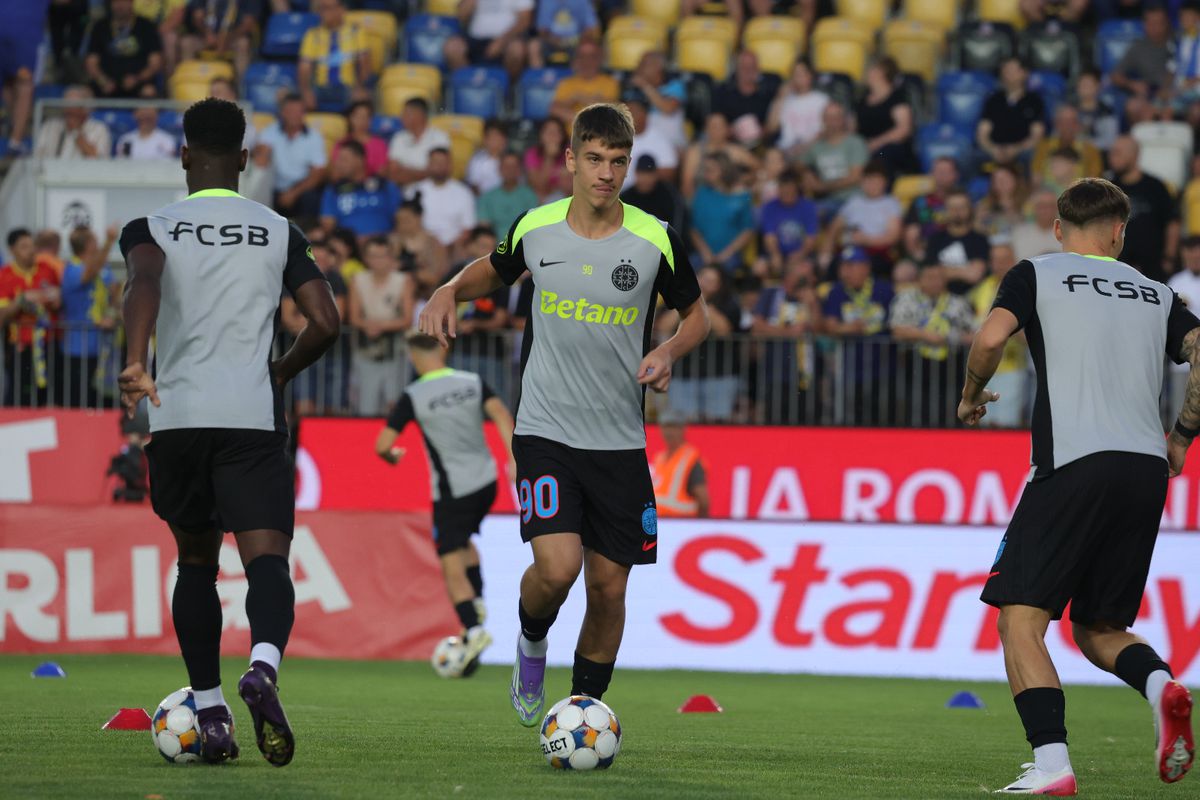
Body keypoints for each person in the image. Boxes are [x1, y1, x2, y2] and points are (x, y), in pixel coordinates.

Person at [417, 103, 708, 725]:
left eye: (618, 162)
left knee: (608, 587)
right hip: (545, 430)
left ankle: (582, 709)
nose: (606, 173)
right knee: (557, 570)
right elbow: (492, 271)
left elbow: (697, 316)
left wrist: (668, 349)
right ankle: (531, 642)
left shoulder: (656, 238)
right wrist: (448, 289)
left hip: (620, 440)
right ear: (571, 159)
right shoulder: (537, 226)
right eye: (595, 159)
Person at [116, 97, 340, 766]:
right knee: (267, 561)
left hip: (178, 416)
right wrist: (280, 372)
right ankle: (262, 667)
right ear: (244, 158)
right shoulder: (277, 229)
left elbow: (143, 282)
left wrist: (136, 359)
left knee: (195, 563)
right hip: (249, 416)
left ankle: (211, 713)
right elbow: (326, 322)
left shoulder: (151, 226)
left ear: (184, 154)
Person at [959, 177, 1196, 794]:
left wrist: (970, 395)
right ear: (1119, 232)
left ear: (1060, 229)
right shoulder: (1157, 293)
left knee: (1020, 621)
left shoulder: (1038, 272)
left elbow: (990, 338)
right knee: (1099, 627)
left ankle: (1052, 766)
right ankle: (1161, 686)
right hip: (1144, 471)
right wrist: (1180, 438)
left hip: (1072, 463)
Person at [374, 331, 516, 671]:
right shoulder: (471, 381)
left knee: (450, 559)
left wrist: (392, 456)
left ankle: (473, 628)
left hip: (453, 490)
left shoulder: (414, 395)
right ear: (443, 349)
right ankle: (476, 600)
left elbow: (382, 445)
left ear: (413, 357)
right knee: (464, 539)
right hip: (487, 482)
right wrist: (513, 458)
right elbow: (501, 414)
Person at [890, 263, 975, 427]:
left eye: (939, 278)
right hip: (916, 366)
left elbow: (973, 333)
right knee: (916, 412)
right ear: (919, 280)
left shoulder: (958, 303)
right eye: (929, 277)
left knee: (949, 413)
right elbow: (896, 330)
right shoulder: (906, 300)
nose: (934, 282)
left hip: (950, 367)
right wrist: (925, 335)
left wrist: (951, 338)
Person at [349, 237, 413, 416]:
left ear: (391, 258)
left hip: (396, 352)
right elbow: (354, 317)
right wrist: (370, 326)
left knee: (395, 406)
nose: (378, 261)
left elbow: (407, 319)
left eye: (382, 256)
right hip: (365, 351)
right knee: (365, 407)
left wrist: (380, 326)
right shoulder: (357, 280)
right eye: (373, 256)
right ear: (366, 258)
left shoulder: (403, 280)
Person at [968, 242, 1028, 428]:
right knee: (983, 425)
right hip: (982, 369)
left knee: (1006, 425)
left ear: (1014, 260)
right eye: (995, 260)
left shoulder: (1024, 288)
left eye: (1004, 259)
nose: (999, 264)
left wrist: (1005, 328)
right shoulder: (982, 288)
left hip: (1011, 367)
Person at [60, 224, 120, 408]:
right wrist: (109, 241)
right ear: (88, 245)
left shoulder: (104, 268)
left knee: (104, 400)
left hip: (104, 347)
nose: (98, 243)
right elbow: (89, 273)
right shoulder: (72, 268)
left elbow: (114, 293)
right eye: (95, 240)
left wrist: (112, 314)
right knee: (80, 399)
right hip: (78, 348)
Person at [0, 228, 61, 407]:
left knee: (50, 397)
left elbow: (60, 303)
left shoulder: (47, 270)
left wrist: (57, 297)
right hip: (21, 348)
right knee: (19, 398)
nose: (31, 250)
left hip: (49, 345)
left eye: (32, 245)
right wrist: (22, 299)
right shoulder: (5, 275)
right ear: (12, 250)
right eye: (24, 246)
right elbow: (2, 315)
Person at [1108, 135, 1179, 283]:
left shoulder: (1156, 187)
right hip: (1116, 265)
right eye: (1112, 152)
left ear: (1134, 155)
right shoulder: (1108, 188)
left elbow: (1172, 222)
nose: (1112, 158)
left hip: (1153, 266)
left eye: (1118, 153)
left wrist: (1169, 258)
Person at [827, 160, 902, 279]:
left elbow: (893, 236)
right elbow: (834, 227)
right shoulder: (853, 203)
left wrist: (867, 240)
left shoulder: (891, 204)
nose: (873, 185)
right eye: (869, 181)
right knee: (833, 266)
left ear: (884, 182)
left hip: (877, 253)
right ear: (862, 182)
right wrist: (825, 252)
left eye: (877, 181)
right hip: (850, 250)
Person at [258, 93, 328, 219]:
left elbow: (318, 174)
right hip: (275, 188)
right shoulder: (271, 131)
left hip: (301, 189)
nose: (295, 115)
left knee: (311, 197)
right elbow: (260, 161)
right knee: (259, 188)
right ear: (282, 113)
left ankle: (306, 230)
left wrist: (293, 193)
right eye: (290, 111)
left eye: (299, 111)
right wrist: (263, 154)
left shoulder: (314, 137)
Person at [318, 140, 402, 239]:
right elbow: (328, 224)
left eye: (344, 160)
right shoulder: (333, 190)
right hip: (347, 244)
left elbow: (401, 218)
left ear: (360, 160)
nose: (338, 164)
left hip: (383, 242)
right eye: (338, 159)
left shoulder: (384, 186)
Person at [689, 151, 755, 274]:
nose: (706, 173)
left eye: (711, 169)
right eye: (705, 169)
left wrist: (726, 255)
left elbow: (747, 230)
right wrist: (706, 253)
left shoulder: (742, 196)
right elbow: (694, 230)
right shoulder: (701, 193)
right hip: (703, 255)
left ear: (724, 171)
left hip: (731, 256)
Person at [298, 0, 371, 111]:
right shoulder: (312, 34)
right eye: (321, 8)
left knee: (362, 98)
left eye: (328, 8)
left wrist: (360, 87)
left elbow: (364, 63)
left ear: (341, 10)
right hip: (320, 88)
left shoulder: (355, 32)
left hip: (348, 87)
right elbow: (304, 67)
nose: (323, 12)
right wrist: (306, 92)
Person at [85, 0, 163, 100]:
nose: (120, 6)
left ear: (131, 3)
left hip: (139, 84)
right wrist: (103, 80)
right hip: (105, 84)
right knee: (75, 96)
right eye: (116, 2)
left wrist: (137, 79)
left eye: (124, 2)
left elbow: (155, 63)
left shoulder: (146, 26)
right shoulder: (100, 27)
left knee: (149, 92)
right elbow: (91, 62)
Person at [977, 58, 1046, 166]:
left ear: (1025, 73)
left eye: (1012, 70)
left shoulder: (1034, 101)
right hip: (995, 149)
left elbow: (1037, 135)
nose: (1008, 74)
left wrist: (1016, 149)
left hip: (1022, 150)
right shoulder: (993, 99)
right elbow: (982, 133)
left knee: (1034, 155)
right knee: (973, 156)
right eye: (1005, 71)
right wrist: (992, 149)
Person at [803, 103, 869, 216]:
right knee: (808, 213)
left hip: (855, 199)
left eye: (836, 117)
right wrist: (806, 173)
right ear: (823, 120)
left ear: (843, 120)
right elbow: (798, 163)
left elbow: (855, 176)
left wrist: (822, 187)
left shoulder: (856, 143)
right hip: (827, 200)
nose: (832, 122)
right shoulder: (817, 146)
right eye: (828, 117)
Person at [409, 148, 478, 254]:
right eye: (436, 162)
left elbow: (468, 228)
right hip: (422, 247)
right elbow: (409, 223)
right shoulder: (415, 190)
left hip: (454, 248)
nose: (440, 166)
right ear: (428, 165)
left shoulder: (463, 193)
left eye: (444, 162)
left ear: (450, 165)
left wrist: (449, 248)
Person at [444, 0, 533, 80]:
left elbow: (524, 20)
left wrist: (501, 42)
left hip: (508, 39)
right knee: (452, 47)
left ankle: (509, 88)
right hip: (474, 38)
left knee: (517, 50)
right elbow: (461, 16)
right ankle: (467, 84)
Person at [1, 0, 47, 153]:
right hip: (25, 31)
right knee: (23, 83)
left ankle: (15, 133)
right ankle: (15, 140)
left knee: (10, 82)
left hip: (13, 27)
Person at [855, 57, 914, 175]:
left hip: (889, 148)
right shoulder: (862, 100)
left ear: (882, 72)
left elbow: (903, 129)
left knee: (881, 156)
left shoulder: (897, 98)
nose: (867, 73)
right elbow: (853, 127)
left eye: (871, 69)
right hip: (865, 147)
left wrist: (876, 143)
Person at [924, 189, 990, 294]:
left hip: (973, 295)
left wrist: (944, 271)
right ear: (945, 210)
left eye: (961, 207)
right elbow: (931, 275)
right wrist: (965, 270)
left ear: (970, 209)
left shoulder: (980, 240)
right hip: (941, 296)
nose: (957, 212)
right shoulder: (935, 239)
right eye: (952, 208)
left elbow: (975, 275)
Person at [680, 112, 757, 200]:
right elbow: (687, 184)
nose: (716, 130)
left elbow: (760, 169)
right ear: (706, 129)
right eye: (712, 126)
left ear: (728, 129)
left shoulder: (736, 151)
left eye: (720, 126)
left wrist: (746, 178)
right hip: (701, 201)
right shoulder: (695, 151)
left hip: (732, 201)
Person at [758, 168, 818, 280]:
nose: (787, 194)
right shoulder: (769, 207)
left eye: (790, 191)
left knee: (803, 269)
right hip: (778, 252)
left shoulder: (808, 207)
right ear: (779, 190)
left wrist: (800, 255)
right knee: (760, 268)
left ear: (796, 189)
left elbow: (810, 238)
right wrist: (775, 255)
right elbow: (769, 236)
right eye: (784, 191)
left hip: (801, 253)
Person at [178, 0, 258, 79]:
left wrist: (227, 39)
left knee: (243, 44)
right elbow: (198, 16)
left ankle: (242, 84)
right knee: (187, 43)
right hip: (207, 37)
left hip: (233, 38)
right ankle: (187, 81)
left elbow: (249, 23)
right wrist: (207, 34)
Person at [650, 411, 708, 518]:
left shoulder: (690, 458)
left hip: (680, 521)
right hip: (660, 521)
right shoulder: (659, 458)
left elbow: (703, 499)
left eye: (673, 427)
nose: (669, 432)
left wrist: (700, 524)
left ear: (682, 429)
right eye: (665, 427)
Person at [625, 50, 687, 151]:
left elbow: (668, 108)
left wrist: (645, 85)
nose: (639, 67)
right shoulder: (633, 88)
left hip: (671, 143)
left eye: (644, 64)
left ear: (657, 67)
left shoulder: (675, 85)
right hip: (640, 141)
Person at [766, 59, 830, 158]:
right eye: (794, 74)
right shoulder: (784, 100)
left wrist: (804, 147)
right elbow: (771, 128)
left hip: (813, 149)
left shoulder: (822, 100)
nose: (797, 78)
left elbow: (828, 130)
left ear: (810, 76)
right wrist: (781, 98)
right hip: (786, 150)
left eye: (801, 74)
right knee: (772, 155)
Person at [1111, 5, 1172, 106]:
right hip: (1150, 94)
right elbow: (1115, 76)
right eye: (1150, 23)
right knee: (1133, 105)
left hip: (1177, 93)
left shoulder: (1180, 44)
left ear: (1166, 24)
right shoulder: (1138, 47)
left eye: (1158, 23)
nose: (1155, 27)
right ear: (1145, 25)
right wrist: (1133, 84)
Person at [712, 50, 776, 148]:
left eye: (752, 67)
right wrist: (732, 130)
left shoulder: (767, 92)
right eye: (744, 67)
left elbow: (772, 125)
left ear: (758, 69)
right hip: (730, 145)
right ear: (737, 69)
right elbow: (714, 123)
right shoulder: (723, 92)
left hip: (760, 144)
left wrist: (762, 131)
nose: (748, 71)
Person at [903, 156, 960, 264]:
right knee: (903, 271)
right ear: (931, 174)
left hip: (958, 254)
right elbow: (911, 234)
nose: (942, 175)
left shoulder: (963, 201)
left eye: (946, 171)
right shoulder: (920, 202)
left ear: (956, 175)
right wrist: (919, 257)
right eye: (938, 171)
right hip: (927, 254)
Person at [549, 40, 619, 127]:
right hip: (570, 134)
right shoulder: (566, 83)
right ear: (576, 60)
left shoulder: (610, 82)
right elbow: (554, 109)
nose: (587, 61)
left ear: (599, 59)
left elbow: (612, 109)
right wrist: (593, 102)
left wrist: (577, 98)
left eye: (592, 56)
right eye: (582, 56)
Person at [1031, 106, 1103, 188]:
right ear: (1056, 124)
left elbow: (1094, 183)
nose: (1067, 126)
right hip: (1048, 193)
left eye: (1071, 122)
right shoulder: (1044, 147)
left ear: (1078, 125)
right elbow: (1036, 178)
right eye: (1062, 122)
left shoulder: (1090, 150)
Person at [34, 85, 112, 159]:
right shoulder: (49, 126)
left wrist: (76, 132)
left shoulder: (99, 129)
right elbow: (37, 157)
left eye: (75, 107)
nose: (69, 111)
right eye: (66, 106)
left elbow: (99, 161)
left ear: (86, 110)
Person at [387, 97, 452, 186]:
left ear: (419, 115)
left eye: (406, 113)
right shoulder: (399, 138)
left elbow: (440, 171)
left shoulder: (440, 137)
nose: (401, 117)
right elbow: (393, 172)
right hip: (404, 191)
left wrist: (404, 171)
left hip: (434, 190)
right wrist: (426, 173)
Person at [620, 154, 686, 236]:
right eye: (642, 174)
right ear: (636, 174)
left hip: (664, 241)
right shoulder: (625, 198)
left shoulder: (670, 195)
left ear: (656, 175)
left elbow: (678, 227)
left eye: (649, 174)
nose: (645, 179)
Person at [477, 151, 538, 239]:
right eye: (506, 167)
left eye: (514, 166)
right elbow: (484, 229)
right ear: (499, 169)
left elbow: (533, 227)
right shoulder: (488, 197)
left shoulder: (530, 196)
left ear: (520, 170)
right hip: (494, 245)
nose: (510, 170)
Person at [624, 93, 678, 190]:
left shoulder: (660, 139)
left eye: (633, 111)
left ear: (645, 113)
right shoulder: (614, 137)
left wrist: (644, 179)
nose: (628, 115)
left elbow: (669, 172)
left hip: (647, 194)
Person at [329, 100, 388, 179]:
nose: (362, 121)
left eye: (366, 117)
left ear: (371, 120)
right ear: (351, 118)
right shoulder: (341, 143)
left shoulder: (379, 144)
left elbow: (382, 172)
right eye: (358, 116)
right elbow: (335, 174)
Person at [530, 0, 599, 67]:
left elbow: (591, 27)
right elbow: (542, 29)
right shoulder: (546, 1)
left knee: (587, 47)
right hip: (551, 41)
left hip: (576, 41)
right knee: (534, 46)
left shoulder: (582, 1)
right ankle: (538, 74)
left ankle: (577, 73)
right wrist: (552, 39)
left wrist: (578, 39)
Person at [975, 163, 1029, 243]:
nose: (1001, 183)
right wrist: (979, 221)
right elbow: (976, 230)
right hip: (994, 245)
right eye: (997, 180)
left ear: (1016, 180)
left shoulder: (1028, 204)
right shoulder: (984, 205)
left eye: (1005, 179)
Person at [524, 116, 571, 202]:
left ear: (562, 136)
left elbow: (570, 188)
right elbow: (537, 185)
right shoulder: (533, 153)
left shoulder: (569, 153)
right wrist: (549, 158)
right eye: (549, 132)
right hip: (538, 198)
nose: (552, 136)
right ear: (541, 135)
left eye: (556, 132)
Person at [1012, 189, 1061, 263]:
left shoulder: (1067, 234)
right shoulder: (1019, 233)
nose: (1046, 210)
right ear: (1034, 208)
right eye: (1041, 206)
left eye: (1051, 206)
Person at [465, 119, 508, 195]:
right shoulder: (477, 161)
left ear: (504, 140)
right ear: (485, 140)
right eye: (492, 137)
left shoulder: (511, 160)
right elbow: (474, 187)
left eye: (499, 137)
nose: (496, 141)